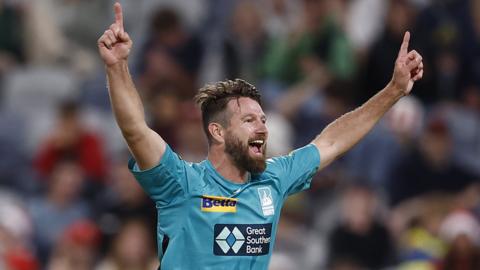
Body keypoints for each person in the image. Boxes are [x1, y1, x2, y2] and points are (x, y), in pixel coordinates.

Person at [97, 3, 423, 270]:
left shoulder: (273, 179)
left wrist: (393, 91)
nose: (263, 128)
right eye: (249, 120)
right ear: (218, 131)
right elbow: (136, 129)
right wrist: (117, 66)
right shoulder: (181, 183)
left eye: (263, 119)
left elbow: (332, 142)